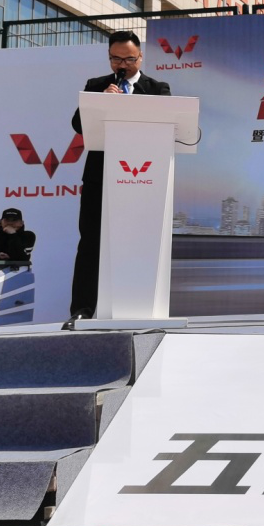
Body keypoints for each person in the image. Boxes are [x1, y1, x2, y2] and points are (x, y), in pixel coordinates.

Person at [69, 31, 171, 318]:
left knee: (139, 242)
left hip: (143, 179)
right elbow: (78, 125)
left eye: (129, 59)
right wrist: (101, 102)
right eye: (116, 59)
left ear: (140, 57)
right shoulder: (97, 86)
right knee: (91, 243)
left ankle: (139, 307)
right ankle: (82, 309)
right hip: (100, 177)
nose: (122, 65)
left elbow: (167, 125)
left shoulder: (157, 88)